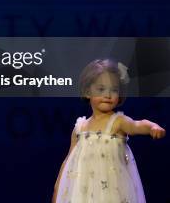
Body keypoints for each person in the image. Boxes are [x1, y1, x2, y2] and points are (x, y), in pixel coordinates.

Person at [52, 59, 166, 203]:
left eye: (114, 90)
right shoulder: (80, 128)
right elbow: (69, 160)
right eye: (101, 89)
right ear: (88, 92)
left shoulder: (118, 122)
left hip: (112, 193)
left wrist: (152, 127)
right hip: (82, 194)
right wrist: (58, 188)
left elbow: (137, 125)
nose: (108, 95)